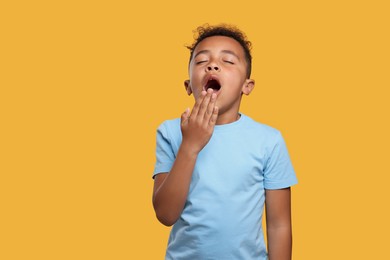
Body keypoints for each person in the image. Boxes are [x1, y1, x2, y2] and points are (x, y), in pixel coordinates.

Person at [152, 24, 298, 260]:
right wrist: (190, 145)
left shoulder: (269, 140)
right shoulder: (170, 132)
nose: (212, 64)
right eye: (201, 62)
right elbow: (165, 214)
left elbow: (279, 225)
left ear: (246, 86)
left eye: (228, 61)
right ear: (189, 86)